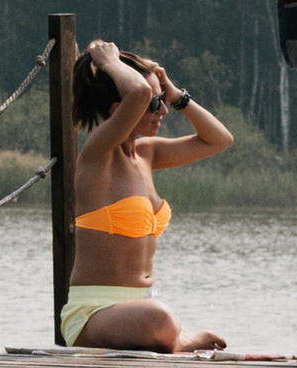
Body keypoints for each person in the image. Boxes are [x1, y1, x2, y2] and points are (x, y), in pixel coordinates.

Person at [60, 40, 234, 351]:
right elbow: (138, 93)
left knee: (158, 316)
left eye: (162, 100)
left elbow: (219, 139)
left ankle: (174, 337)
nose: (163, 110)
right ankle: (182, 339)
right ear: (120, 109)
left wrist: (176, 93)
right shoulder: (98, 155)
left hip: (139, 309)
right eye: (156, 103)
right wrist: (111, 63)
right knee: (160, 318)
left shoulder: (147, 154)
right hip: (93, 314)